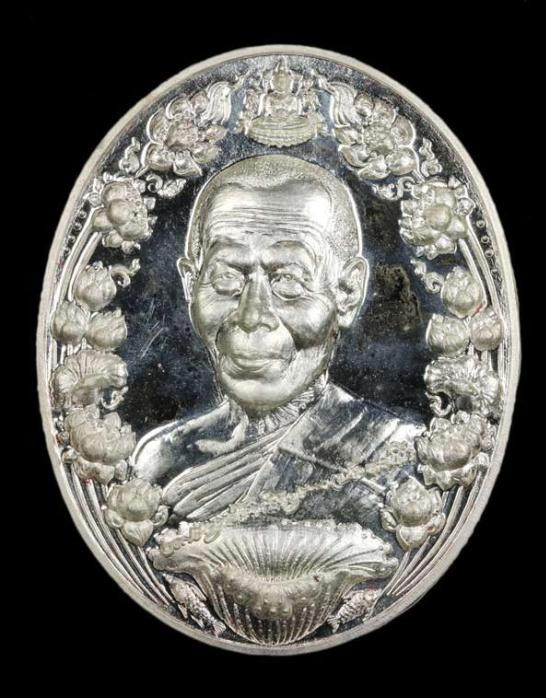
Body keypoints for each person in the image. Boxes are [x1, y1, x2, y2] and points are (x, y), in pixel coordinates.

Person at [132, 154, 422, 525]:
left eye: (288, 281)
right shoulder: (160, 459)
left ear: (348, 293)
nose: (252, 316)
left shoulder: (399, 459)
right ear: (192, 284)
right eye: (226, 278)